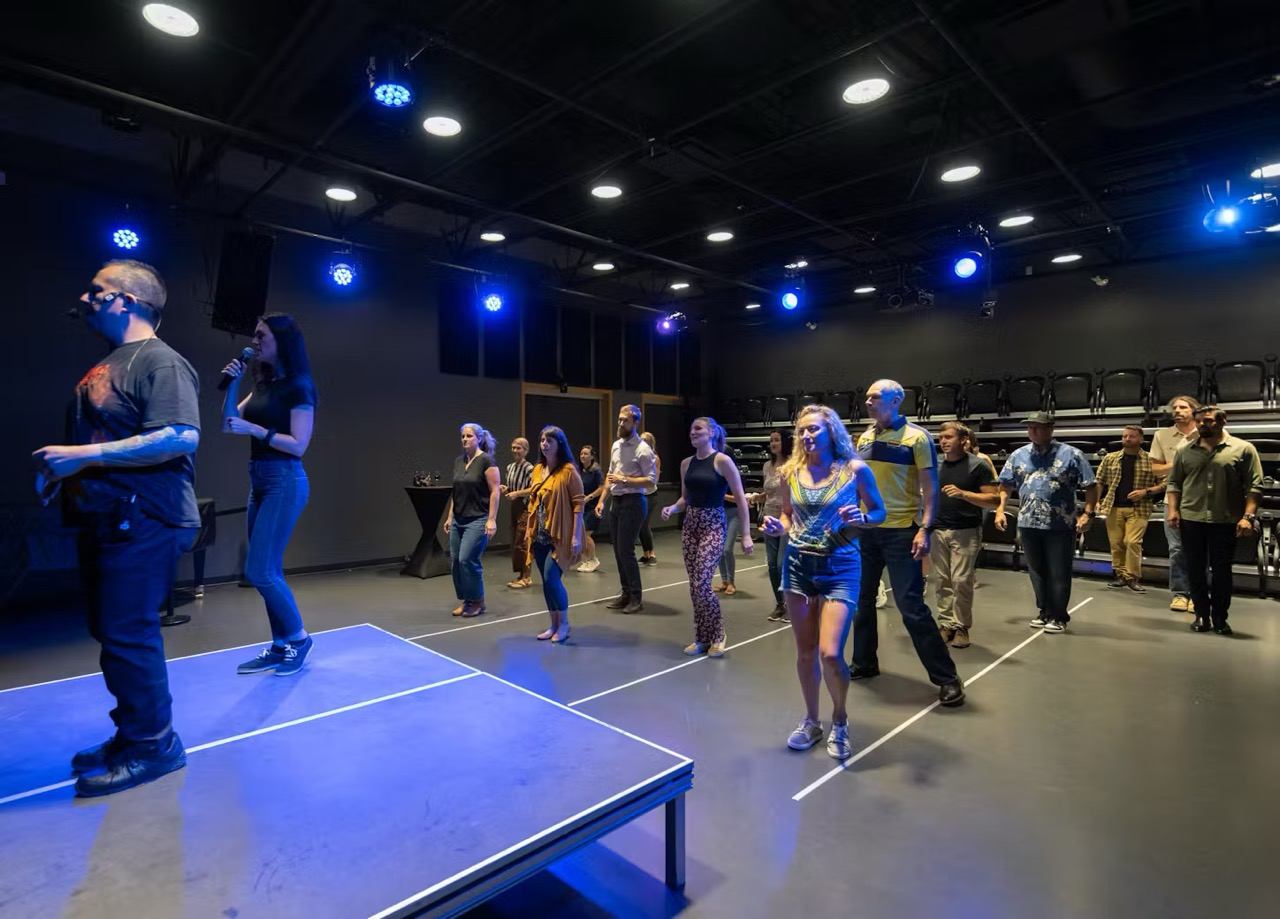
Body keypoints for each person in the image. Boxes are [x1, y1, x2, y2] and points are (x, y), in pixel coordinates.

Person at [33, 259, 200, 796]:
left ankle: (155, 747)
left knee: (129, 634)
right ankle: (132, 736)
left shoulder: (159, 362)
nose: (85, 299)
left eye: (96, 291)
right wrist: (66, 476)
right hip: (107, 518)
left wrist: (84, 455)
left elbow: (180, 435)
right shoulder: (113, 363)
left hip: (145, 517)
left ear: (125, 300)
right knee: (113, 635)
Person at [760, 404, 886, 760]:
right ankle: (811, 721)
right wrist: (777, 527)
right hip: (798, 566)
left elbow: (879, 512)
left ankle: (840, 719)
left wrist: (861, 516)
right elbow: (787, 516)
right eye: (801, 431)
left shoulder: (855, 470)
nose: (806, 436)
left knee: (830, 654)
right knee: (804, 653)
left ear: (832, 431)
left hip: (841, 566)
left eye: (813, 429)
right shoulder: (790, 472)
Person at [851, 380, 965, 706]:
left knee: (911, 607)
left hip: (902, 532)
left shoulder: (918, 438)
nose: (868, 401)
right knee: (861, 604)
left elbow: (930, 488)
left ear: (896, 399)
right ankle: (864, 663)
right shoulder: (865, 437)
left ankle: (947, 678)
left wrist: (925, 529)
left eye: (875, 396)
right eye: (867, 396)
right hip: (867, 530)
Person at [221, 314, 318, 676]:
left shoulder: (299, 386)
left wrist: (256, 430)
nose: (255, 340)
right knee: (269, 569)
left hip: (284, 481)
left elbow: (299, 445)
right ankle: (280, 645)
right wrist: (232, 384)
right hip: (259, 480)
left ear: (282, 341)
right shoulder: (262, 385)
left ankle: (299, 638)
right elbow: (229, 423)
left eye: (261, 335)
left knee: (259, 570)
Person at [997, 412, 1098, 633]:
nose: (1033, 431)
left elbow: (1090, 485)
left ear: (1051, 429)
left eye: (1038, 427)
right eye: (1030, 427)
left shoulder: (1072, 454)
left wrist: (1088, 514)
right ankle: (1043, 611)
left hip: (1059, 523)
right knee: (1036, 570)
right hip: (1028, 521)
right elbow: (1005, 484)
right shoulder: (1018, 455)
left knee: (1059, 570)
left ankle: (1059, 616)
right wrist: (1001, 509)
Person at [1165, 406, 1262, 635]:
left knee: (1221, 571)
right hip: (1192, 518)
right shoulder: (1184, 451)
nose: (1201, 425)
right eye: (1198, 421)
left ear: (1222, 421)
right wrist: (1172, 510)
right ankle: (1201, 615)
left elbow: (1254, 486)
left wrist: (1248, 516)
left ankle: (1220, 617)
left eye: (1207, 421)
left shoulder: (1243, 449)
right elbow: (1174, 484)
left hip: (1225, 519)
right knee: (1195, 570)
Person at [661, 417, 753, 657]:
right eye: (691, 429)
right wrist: (672, 508)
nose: (693, 432)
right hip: (691, 525)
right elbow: (685, 499)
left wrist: (746, 534)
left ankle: (718, 633)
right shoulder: (686, 464)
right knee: (694, 586)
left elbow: (741, 499)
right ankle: (701, 636)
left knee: (702, 583)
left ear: (711, 433)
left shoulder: (722, 461)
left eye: (698, 428)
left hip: (713, 524)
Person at [931, 422, 1000, 649]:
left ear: (963, 440)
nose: (943, 441)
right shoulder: (936, 464)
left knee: (961, 581)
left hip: (966, 530)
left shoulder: (977, 466)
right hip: (938, 529)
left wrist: (964, 494)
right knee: (942, 581)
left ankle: (961, 627)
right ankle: (946, 624)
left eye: (948, 437)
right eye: (941, 437)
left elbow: (994, 500)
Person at [522, 426, 585, 642]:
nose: (544, 444)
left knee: (552, 578)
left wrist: (576, 536)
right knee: (546, 582)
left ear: (560, 444)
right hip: (540, 534)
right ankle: (553, 624)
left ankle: (565, 624)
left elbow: (578, 504)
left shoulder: (568, 471)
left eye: (550, 440)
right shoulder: (538, 470)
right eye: (542, 440)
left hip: (560, 536)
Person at [597, 404, 657, 614]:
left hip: (634, 502)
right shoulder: (616, 445)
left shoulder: (643, 449)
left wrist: (625, 480)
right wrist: (602, 500)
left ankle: (636, 597)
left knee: (626, 550)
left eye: (626, 420)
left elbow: (651, 481)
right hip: (617, 501)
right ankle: (625, 594)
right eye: (620, 419)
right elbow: (610, 474)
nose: (621, 423)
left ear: (636, 423)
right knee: (617, 550)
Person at [1150, 395, 1202, 613]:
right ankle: (1180, 593)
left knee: (1201, 550)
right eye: (1175, 408)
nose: (1178, 411)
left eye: (1183, 407)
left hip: (1201, 499)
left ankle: (1199, 594)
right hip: (1172, 499)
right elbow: (1155, 469)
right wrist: (1181, 459)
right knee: (1177, 549)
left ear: (1194, 410)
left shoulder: (1206, 432)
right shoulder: (1162, 435)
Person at [444, 422, 500, 618]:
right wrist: (450, 516)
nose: (465, 439)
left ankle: (478, 601)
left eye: (469, 436)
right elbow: (456, 491)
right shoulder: (459, 461)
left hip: (478, 519)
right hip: (459, 518)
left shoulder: (486, 461)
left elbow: (495, 492)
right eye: (463, 436)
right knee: (456, 562)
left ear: (478, 439)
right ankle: (467, 600)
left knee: (467, 559)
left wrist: (491, 520)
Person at [1096, 424, 1160, 592]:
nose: (1127, 439)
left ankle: (1132, 577)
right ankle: (1120, 575)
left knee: (1132, 542)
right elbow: (1099, 481)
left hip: (1140, 508)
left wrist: (1145, 492)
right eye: (1124, 436)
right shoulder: (1110, 458)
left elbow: (1165, 482)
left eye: (1131, 436)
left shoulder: (1151, 459)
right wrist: (1096, 500)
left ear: (1140, 439)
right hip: (1113, 506)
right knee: (1116, 544)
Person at [758, 429, 794, 621]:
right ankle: (779, 604)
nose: (773, 444)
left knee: (782, 564)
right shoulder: (767, 466)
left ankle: (790, 604)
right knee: (772, 564)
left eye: (777, 440)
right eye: (771, 440)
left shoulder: (792, 466)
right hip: (769, 518)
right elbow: (769, 492)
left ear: (785, 442)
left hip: (787, 519)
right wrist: (758, 496)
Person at [502, 437, 535, 589]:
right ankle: (520, 575)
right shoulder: (510, 467)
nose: (515, 450)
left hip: (526, 508)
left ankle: (527, 576)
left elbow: (534, 489)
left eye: (519, 448)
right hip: (514, 507)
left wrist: (517, 494)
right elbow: (511, 488)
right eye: (513, 447)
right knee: (516, 541)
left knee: (523, 541)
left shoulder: (530, 469)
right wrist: (507, 490)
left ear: (526, 450)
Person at [576, 444, 604, 573]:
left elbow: (602, 488)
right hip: (582, 508)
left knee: (586, 534)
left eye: (586, 454)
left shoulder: (596, 471)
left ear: (592, 456)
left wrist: (589, 497)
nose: (583, 456)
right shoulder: (581, 471)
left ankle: (593, 559)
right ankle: (586, 560)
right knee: (582, 535)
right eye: (581, 453)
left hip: (593, 508)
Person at [638, 430, 660, 566]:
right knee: (640, 525)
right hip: (640, 494)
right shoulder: (638, 457)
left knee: (644, 524)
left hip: (650, 495)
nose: (642, 442)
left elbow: (654, 480)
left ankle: (652, 553)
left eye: (645, 440)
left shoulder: (655, 458)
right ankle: (645, 554)